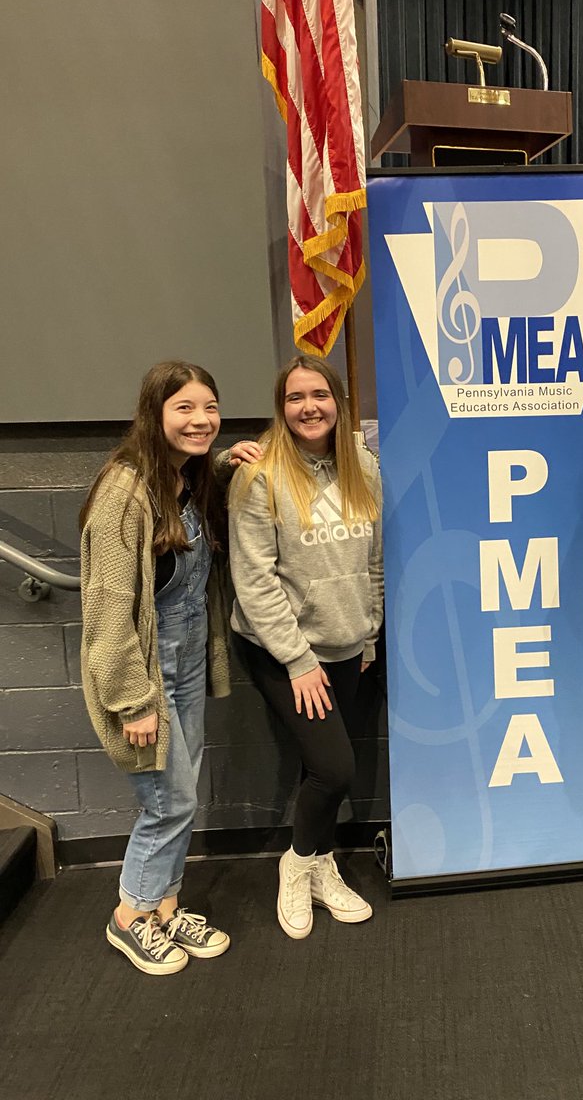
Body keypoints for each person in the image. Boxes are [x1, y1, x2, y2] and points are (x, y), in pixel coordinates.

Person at [80, 361, 261, 975]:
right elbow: (106, 613)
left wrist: (226, 460)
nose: (201, 420)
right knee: (170, 801)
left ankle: (165, 906)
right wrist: (133, 702)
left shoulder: (188, 481)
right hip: (142, 679)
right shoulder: (122, 494)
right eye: (185, 408)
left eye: (210, 407)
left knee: (180, 794)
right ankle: (130, 915)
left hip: (184, 667)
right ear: (154, 414)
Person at [228, 353, 383, 940]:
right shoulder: (259, 475)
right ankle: (296, 866)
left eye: (319, 395)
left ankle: (320, 865)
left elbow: (374, 560)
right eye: (295, 398)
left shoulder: (363, 467)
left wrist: (369, 631)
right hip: (283, 650)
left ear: (339, 404)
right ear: (281, 408)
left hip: (348, 641)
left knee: (318, 767)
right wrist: (296, 660)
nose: (308, 407)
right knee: (335, 768)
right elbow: (254, 578)